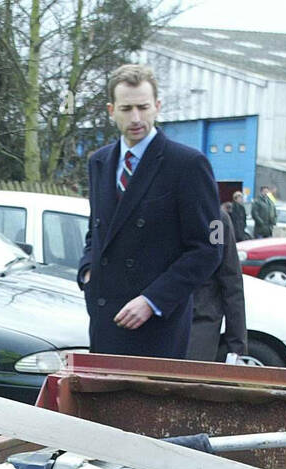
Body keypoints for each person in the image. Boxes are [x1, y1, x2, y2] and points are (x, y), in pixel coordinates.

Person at [79, 63, 221, 359]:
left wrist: (152, 300)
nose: (136, 118)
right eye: (126, 108)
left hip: (157, 326)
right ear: (111, 110)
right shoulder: (99, 162)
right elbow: (97, 229)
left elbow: (210, 248)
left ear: (157, 106)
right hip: (106, 314)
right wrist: (87, 272)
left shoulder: (187, 164)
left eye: (143, 107)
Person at [187, 212, 247, 363]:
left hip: (199, 321)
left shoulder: (215, 220)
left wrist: (236, 345)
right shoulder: (215, 220)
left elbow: (230, 280)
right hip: (188, 319)